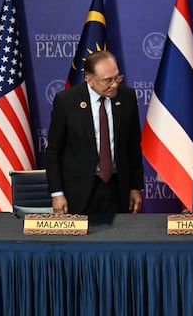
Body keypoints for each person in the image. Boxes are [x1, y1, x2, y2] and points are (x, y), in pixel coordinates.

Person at [46, 51, 144, 214]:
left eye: (117, 77)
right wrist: (57, 193)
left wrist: (135, 187)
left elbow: (133, 146)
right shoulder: (66, 101)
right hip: (77, 191)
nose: (115, 84)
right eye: (108, 80)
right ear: (89, 80)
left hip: (117, 188)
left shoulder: (127, 97)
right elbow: (53, 152)